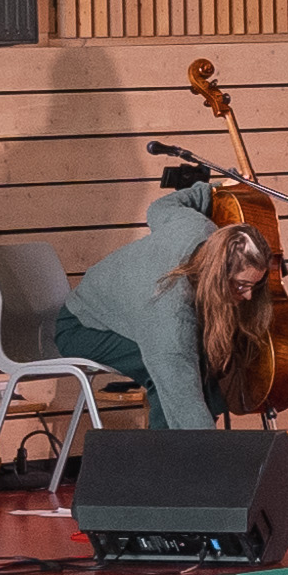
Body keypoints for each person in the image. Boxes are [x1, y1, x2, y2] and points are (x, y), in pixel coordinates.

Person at [57, 160, 230, 432]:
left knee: (191, 366)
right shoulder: (169, 304)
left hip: (117, 313)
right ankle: (171, 468)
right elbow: (175, 375)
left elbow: (161, 206)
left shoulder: (196, 228)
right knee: (165, 376)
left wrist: (216, 190)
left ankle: (182, 462)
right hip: (82, 326)